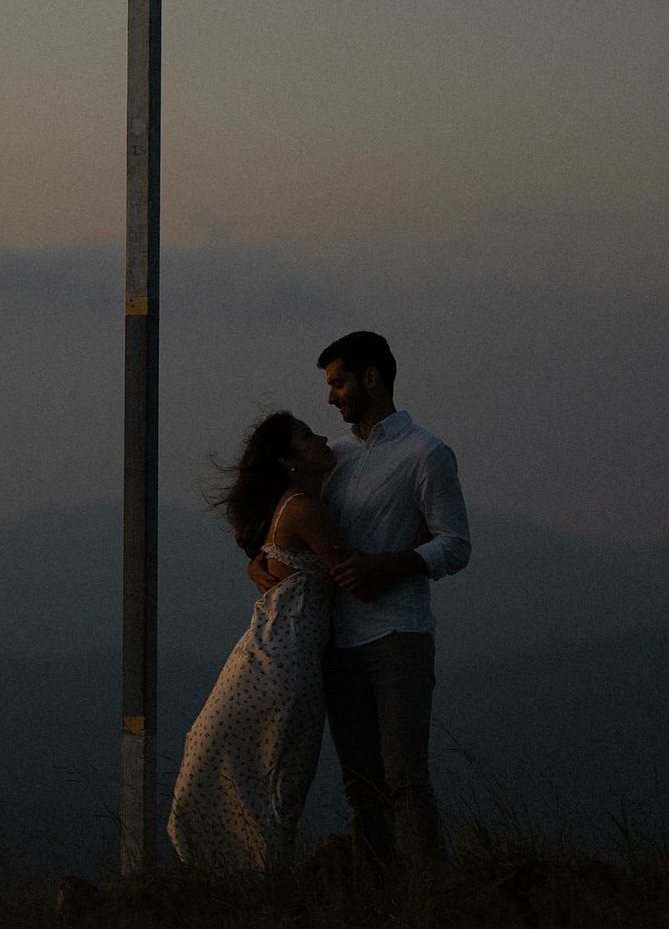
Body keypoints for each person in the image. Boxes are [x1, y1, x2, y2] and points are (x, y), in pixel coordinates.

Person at [254, 331, 470, 873]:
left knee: (404, 777)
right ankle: (377, 894)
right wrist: (259, 564)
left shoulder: (428, 453)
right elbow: (290, 525)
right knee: (361, 784)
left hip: (399, 633)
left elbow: (456, 545)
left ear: (372, 378)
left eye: (339, 382)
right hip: (337, 641)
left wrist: (387, 564)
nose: (331, 398)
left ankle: (429, 893)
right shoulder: (338, 459)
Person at [166, 411, 352, 871]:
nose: (323, 438)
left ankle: (238, 873)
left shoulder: (291, 505)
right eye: (308, 436)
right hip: (283, 664)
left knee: (253, 770)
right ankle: (259, 873)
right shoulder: (304, 510)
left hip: (267, 654)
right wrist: (424, 549)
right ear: (289, 460)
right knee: (274, 776)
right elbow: (353, 572)